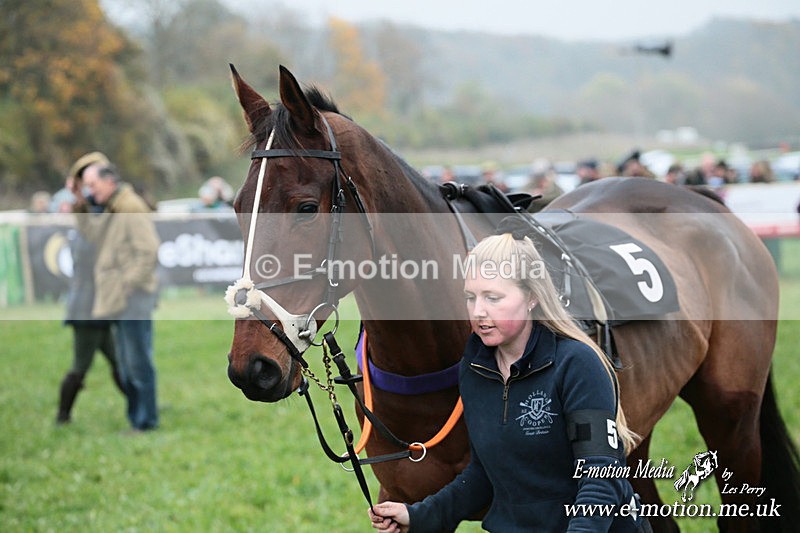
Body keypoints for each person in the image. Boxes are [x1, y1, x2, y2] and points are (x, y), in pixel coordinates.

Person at [368, 231, 649, 532]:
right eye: (471, 297)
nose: (478, 311)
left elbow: (601, 477)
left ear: (531, 297)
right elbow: (484, 475)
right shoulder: (475, 368)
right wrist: (419, 515)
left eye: (493, 298)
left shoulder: (577, 364)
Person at [70, 155, 161, 432]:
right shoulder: (113, 206)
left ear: (109, 181)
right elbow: (92, 235)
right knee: (126, 365)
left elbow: (148, 251)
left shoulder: (129, 206)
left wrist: (126, 286)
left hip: (132, 298)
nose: (90, 191)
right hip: (121, 299)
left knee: (137, 363)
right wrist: (80, 205)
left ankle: (145, 422)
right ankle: (137, 419)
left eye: (92, 185)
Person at [56, 152, 126, 424]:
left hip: (96, 308)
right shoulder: (88, 228)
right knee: (80, 366)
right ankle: (62, 416)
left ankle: (140, 403)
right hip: (87, 310)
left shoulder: (89, 221)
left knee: (118, 362)